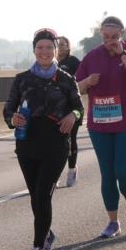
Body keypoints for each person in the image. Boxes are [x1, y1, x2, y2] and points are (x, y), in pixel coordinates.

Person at [3, 29, 83, 250]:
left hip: (56, 144)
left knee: (43, 194)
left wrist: (72, 116)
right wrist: (13, 118)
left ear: (56, 50)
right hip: (27, 144)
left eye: (49, 47)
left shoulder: (66, 79)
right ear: (34, 50)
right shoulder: (22, 79)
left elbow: (79, 108)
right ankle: (47, 234)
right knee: (35, 196)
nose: (45, 52)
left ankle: (38, 247)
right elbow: (8, 109)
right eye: (40, 48)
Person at [75, 16, 126, 238]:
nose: (110, 41)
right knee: (107, 174)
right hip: (99, 124)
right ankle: (113, 222)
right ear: (101, 34)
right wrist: (87, 81)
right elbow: (75, 88)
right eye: (106, 37)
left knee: (124, 172)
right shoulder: (91, 56)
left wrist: (123, 56)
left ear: (122, 33)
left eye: (114, 37)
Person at [56, 36, 82, 187]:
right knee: (55, 143)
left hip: (72, 108)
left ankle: (72, 169)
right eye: (57, 45)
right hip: (54, 109)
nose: (59, 47)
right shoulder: (50, 61)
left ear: (68, 46)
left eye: (62, 45)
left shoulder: (73, 62)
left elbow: (81, 79)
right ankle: (55, 173)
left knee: (70, 140)